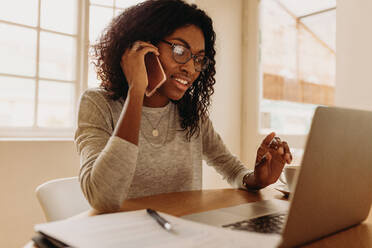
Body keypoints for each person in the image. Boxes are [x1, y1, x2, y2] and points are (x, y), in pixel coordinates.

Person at [75, 0, 292, 212]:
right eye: (179, 51)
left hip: (184, 234)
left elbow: (229, 166)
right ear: (143, 46)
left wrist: (256, 179)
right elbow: (103, 198)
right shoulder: (98, 104)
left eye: (199, 59)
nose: (191, 69)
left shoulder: (190, 113)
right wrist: (136, 91)